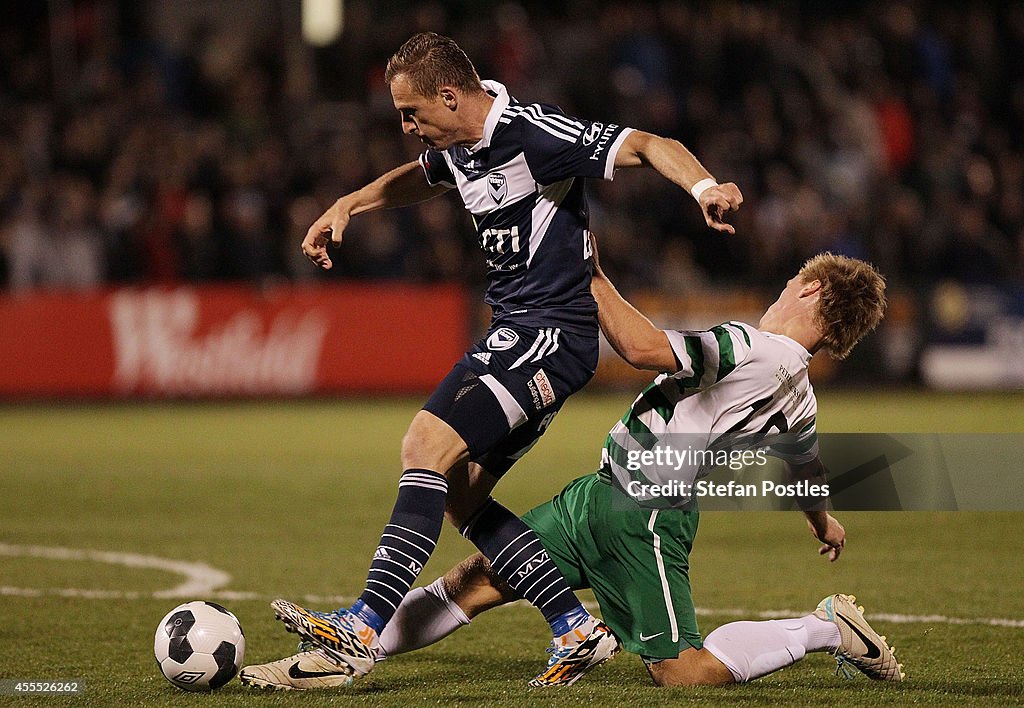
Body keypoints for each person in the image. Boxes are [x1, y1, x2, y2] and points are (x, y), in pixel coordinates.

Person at [267, 31, 743, 686]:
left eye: (411, 112)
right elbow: (422, 180)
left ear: (450, 94)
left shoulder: (529, 134)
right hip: (524, 333)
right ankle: (572, 626)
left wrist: (704, 187)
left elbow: (647, 144)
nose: (407, 128)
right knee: (460, 494)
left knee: (424, 444)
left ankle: (362, 626)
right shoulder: (454, 144)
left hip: (548, 334)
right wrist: (350, 203)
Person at [241, 243, 902, 690]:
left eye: (791, 282)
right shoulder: (800, 388)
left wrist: (587, 274)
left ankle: (823, 627)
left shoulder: (751, 346)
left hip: (643, 517)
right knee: (475, 581)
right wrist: (823, 523)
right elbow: (805, 463)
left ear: (811, 289)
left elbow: (643, 348)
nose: (782, 289)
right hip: (604, 497)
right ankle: (341, 659)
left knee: (680, 671)